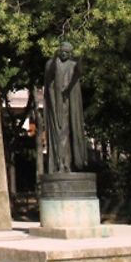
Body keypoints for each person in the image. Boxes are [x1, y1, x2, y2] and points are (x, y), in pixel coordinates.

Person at [43, 41, 86, 173]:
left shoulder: (72, 65)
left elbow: (79, 72)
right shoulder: (52, 63)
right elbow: (49, 74)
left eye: (67, 52)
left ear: (70, 54)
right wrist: (54, 58)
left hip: (68, 105)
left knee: (67, 134)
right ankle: (59, 163)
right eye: (62, 51)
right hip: (56, 105)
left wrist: (81, 60)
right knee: (59, 134)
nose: (63, 54)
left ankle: (66, 163)